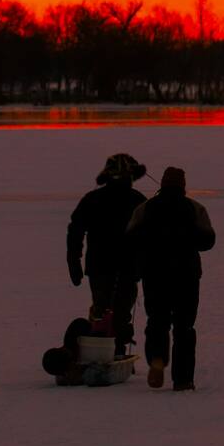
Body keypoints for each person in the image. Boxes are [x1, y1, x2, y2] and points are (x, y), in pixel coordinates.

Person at [125, 165, 215, 390]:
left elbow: (131, 238)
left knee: (157, 321)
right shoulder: (195, 208)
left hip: (154, 274)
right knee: (185, 326)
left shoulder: (146, 208)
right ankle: (183, 379)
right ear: (182, 185)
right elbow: (208, 241)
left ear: (163, 184)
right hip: (187, 275)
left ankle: (157, 361)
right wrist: (187, 237)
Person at [67, 153, 147, 357]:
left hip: (114, 267)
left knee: (108, 312)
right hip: (111, 267)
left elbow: (75, 230)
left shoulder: (96, 199)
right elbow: (76, 229)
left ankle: (111, 352)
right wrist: (73, 262)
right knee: (114, 312)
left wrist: (74, 261)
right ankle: (109, 352)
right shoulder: (137, 200)